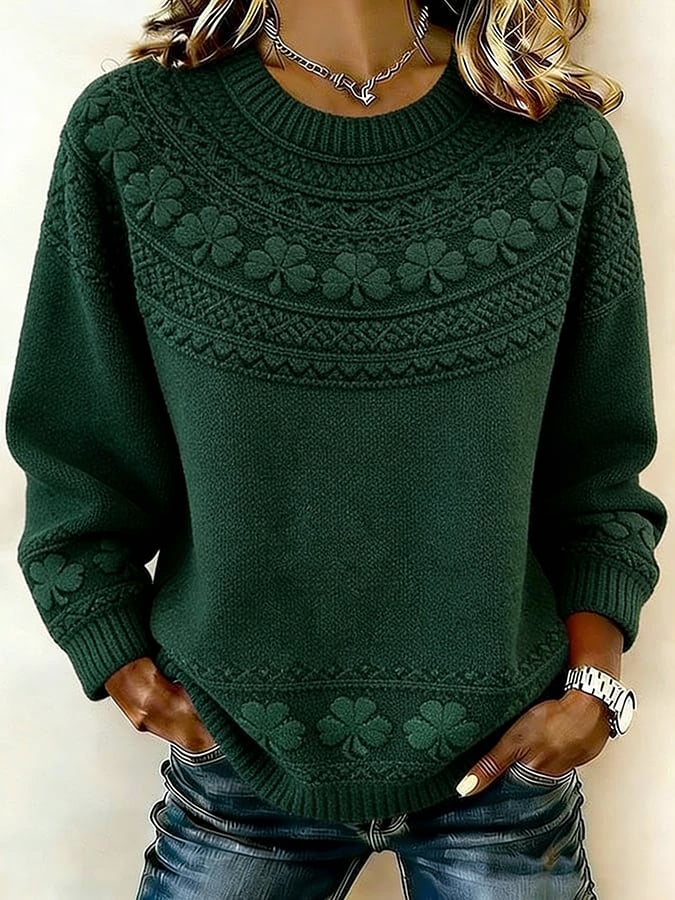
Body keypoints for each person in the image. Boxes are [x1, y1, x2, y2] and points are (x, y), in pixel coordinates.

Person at [5, 0, 667, 896]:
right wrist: (117, 659)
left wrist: (595, 690)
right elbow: (78, 445)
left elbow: (596, 470)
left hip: (506, 763)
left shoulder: (555, 147)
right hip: (235, 755)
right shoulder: (133, 133)